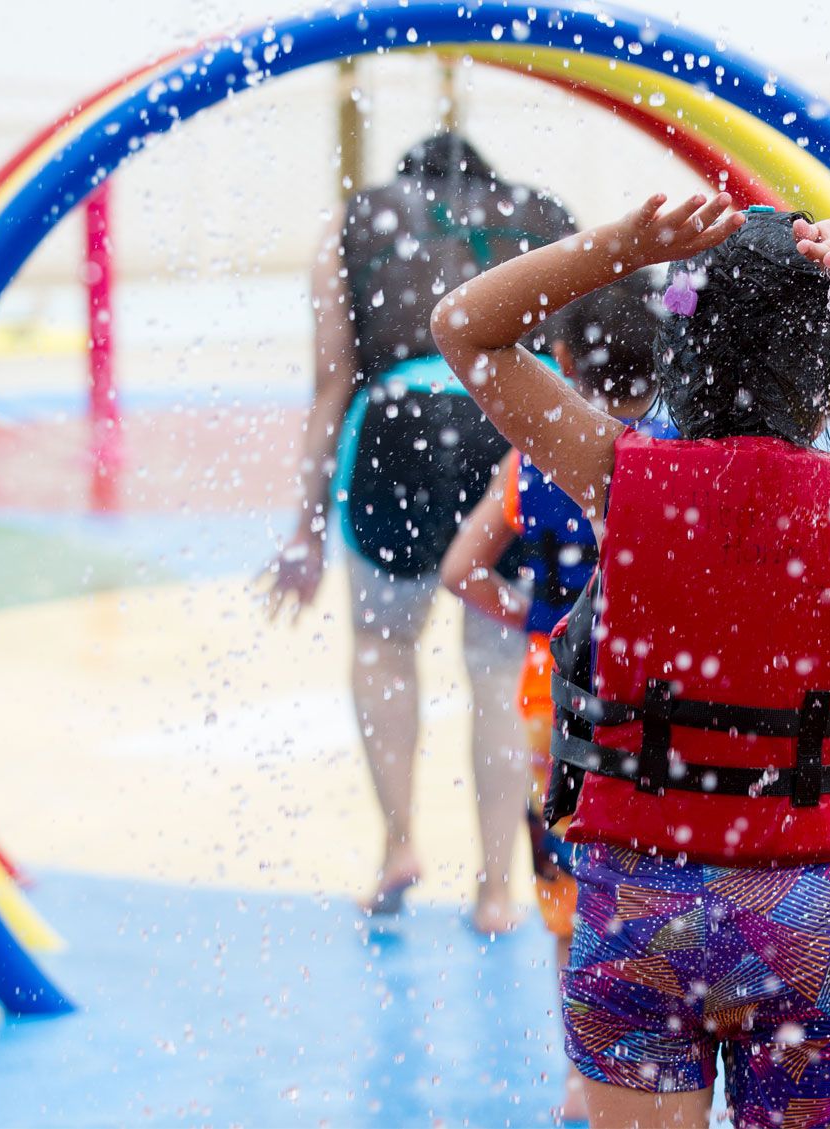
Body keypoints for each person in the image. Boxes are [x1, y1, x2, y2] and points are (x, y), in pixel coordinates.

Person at [432, 193, 830, 1126]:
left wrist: (615, 247)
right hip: (795, 912)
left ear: (686, 343)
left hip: (641, 899)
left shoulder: (622, 478)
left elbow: (466, 329)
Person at [263, 133, 576, 931]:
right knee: (500, 665)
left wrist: (302, 530)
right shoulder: (542, 216)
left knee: (380, 644)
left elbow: (332, 383)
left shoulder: (352, 221)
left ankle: (399, 843)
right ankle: (497, 887)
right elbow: (580, 363)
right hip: (506, 426)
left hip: (396, 432)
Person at [439, 271, 665, 1121]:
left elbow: (462, 570)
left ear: (563, 359)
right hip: (661, 696)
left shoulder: (535, 455)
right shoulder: (679, 447)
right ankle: (663, 1048)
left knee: (570, 867)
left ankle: (583, 1069)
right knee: (655, 864)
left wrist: (540, 617)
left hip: (559, 696)